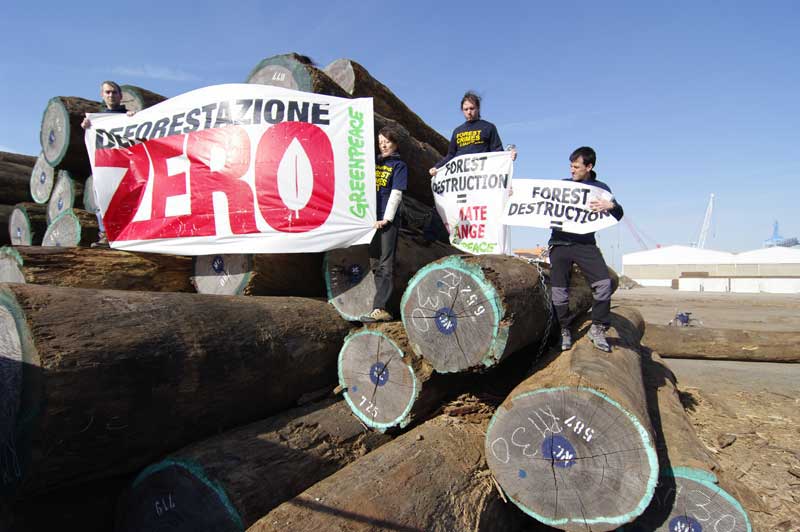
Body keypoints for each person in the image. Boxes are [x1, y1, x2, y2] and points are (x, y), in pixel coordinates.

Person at [550, 146, 624, 353]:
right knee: (558, 292)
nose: (571, 170)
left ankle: (598, 328)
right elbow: (535, 200)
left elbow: (619, 214)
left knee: (603, 284)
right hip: (560, 244)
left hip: (585, 245)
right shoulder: (563, 186)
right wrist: (515, 194)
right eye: (570, 166)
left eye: (576, 166)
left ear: (589, 166)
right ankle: (564, 329)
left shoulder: (600, 189)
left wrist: (611, 207)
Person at [425, 91, 516, 242]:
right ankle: (432, 239)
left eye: (472, 108)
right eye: (466, 109)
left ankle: (484, 242)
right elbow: (451, 155)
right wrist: (437, 167)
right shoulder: (457, 131)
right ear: (462, 110)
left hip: (480, 181)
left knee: (480, 212)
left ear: (478, 108)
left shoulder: (489, 128)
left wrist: (509, 157)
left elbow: (497, 153)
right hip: (460, 181)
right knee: (445, 205)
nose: (469, 112)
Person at [360, 125, 408, 322]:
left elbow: (396, 193)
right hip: (371, 220)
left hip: (387, 220)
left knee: (386, 264)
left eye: (387, 142)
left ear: (395, 143)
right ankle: (377, 307)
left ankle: (381, 307)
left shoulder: (399, 166)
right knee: (374, 263)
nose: (383, 146)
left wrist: (386, 219)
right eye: (380, 143)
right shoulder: (373, 163)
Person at [81, 81, 133, 246]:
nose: (111, 95)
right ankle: (105, 234)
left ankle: (129, 233)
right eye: (107, 92)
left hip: (125, 165)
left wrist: (135, 119)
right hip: (105, 166)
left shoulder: (129, 116)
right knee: (101, 201)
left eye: (114, 92)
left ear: (120, 96)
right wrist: (86, 127)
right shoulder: (96, 121)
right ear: (102, 95)